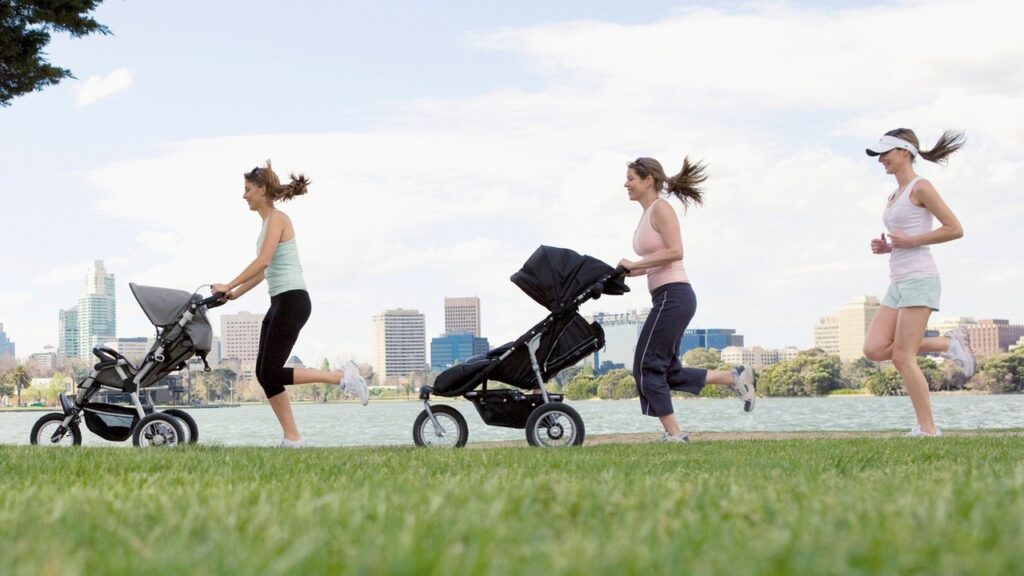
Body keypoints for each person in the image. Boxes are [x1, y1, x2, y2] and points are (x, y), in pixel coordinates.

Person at [212, 160, 368, 448]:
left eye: (247, 189)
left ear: (261, 189)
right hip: (280, 301)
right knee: (264, 374)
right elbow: (262, 272)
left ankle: (342, 377)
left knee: (271, 372)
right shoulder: (266, 226)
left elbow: (263, 261)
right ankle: (292, 438)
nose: (244, 195)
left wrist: (228, 284)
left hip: (292, 301)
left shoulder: (278, 219)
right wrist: (235, 294)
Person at [618, 156, 756, 443]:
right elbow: (658, 257)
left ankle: (676, 435)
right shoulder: (646, 214)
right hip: (665, 296)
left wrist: (637, 262)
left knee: (646, 366)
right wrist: (635, 270)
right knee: (667, 370)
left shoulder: (661, 209)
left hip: (674, 295)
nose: (626, 183)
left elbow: (676, 251)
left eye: (631, 178)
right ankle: (733, 377)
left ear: (648, 180)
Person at [861, 129, 974, 437]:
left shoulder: (920, 187)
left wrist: (911, 241)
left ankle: (928, 429)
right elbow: (905, 238)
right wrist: (889, 247)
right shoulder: (894, 195)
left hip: (919, 278)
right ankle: (946, 344)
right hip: (897, 282)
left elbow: (954, 228)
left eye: (885, 153)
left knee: (902, 356)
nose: (881, 159)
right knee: (873, 349)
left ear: (904, 151)